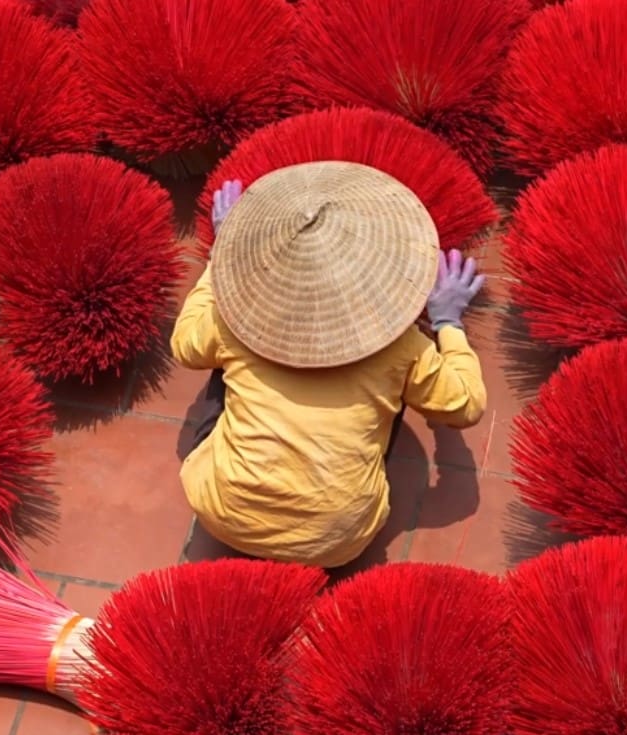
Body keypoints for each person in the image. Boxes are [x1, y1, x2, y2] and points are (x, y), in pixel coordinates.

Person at [171, 160, 488, 568]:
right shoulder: (401, 347)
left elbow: (185, 346)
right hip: (337, 543)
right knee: (397, 386)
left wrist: (223, 257)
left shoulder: (238, 320)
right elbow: (467, 405)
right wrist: (446, 321)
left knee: (224, 364)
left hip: (223, 514)